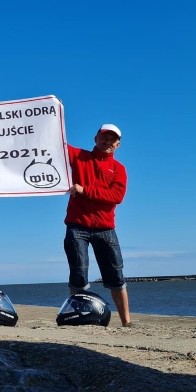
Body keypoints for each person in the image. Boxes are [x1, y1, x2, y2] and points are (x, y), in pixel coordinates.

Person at [63, 123, 132, 327]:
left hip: (106, 228)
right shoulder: (78, 156)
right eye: (104, 137)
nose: (107, 141)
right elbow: (54, 146)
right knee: (78, 275)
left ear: (118, 144)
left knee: (116, 277)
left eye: (112, 139)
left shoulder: (119, 169)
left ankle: (126, 322)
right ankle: (79, 319)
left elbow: (116, 196)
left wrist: (84, 191)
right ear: (95, 138)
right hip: (77, 226)